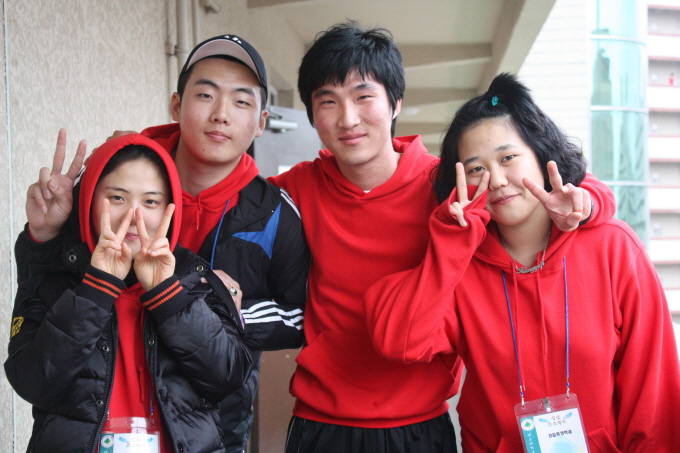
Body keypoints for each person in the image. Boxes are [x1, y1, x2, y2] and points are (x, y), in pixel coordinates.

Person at [269, 23, 616, 453]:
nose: (348, 118)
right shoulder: (297, 188)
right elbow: (231, 196)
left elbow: (552, 186)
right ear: (311, 113)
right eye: (328, 101)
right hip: (321, 420)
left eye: (363, 96)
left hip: (421, 423)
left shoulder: (447, 185)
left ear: (395, 103)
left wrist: (591, 202)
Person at [13, 35, 310, 453]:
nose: (221, 114)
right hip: (91, 416)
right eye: (205, 95)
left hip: (211, 426)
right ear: (176, 104)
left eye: (241, 101)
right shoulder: (113, 176)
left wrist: (223, 310)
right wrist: (42, 235)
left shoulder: (274, 211)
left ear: (261, 122)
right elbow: (47, 288)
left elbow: (300, 312)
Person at [363, 73, 680, 452]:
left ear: (542, 156)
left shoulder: (612, 247)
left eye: (508, 158)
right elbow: (401, 343)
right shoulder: (460, 265)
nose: (496, 180)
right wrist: (449, 244)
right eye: (476, 169)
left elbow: (653, 391)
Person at [5, 134, 253, 453]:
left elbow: (228, 379)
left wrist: (168, 295)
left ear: (171, 209)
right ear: (89, 200)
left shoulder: (198, 280)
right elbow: (32, 382)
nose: (133, 217)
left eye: (150, 202)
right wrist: (97, 288)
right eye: (117, 198)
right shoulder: (57, 282)